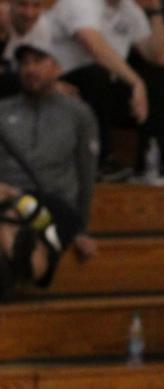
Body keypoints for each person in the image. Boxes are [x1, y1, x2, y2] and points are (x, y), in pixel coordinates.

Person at [47, 0, 164, 182]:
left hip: (106, 89)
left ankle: (153, 162)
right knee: (97, 74)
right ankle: (101, 160)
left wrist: (155, 11)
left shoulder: (129, 9)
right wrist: (136, 82)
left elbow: (159, 57)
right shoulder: (80, 3)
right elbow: (94, 46)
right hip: (63, 86)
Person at [0, 38, 99, 297]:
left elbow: (86, 174)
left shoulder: (78, 114)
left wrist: (82, 229)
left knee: (18, 235)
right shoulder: (2, 111)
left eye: (39, 61)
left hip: (54, 208)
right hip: (8, 202)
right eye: (25, 63)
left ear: (57, 66)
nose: (31, 69)